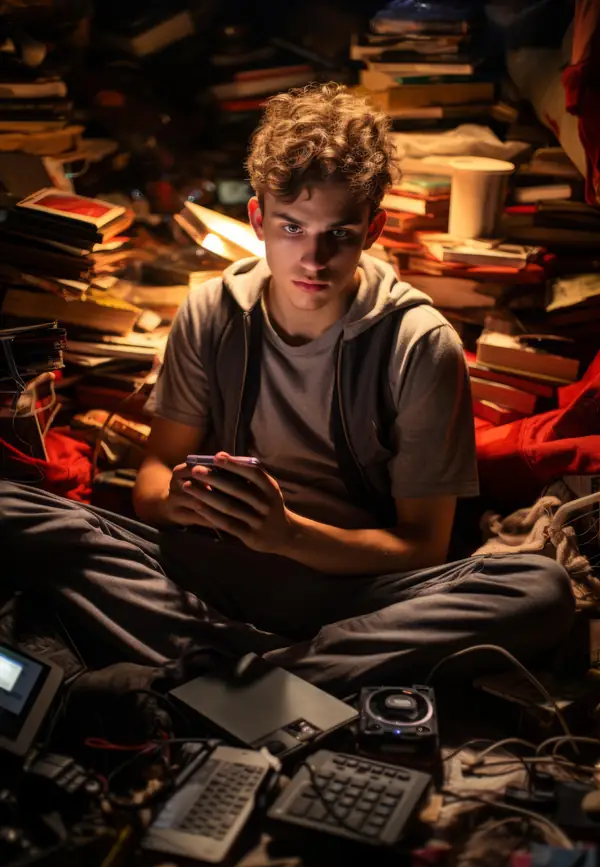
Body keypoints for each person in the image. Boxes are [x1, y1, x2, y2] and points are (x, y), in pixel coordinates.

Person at [0, 84, 575, 694]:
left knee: (537, 589)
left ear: (374, 229)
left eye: (340, 233)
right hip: (206, 572)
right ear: (257, 219)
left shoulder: (419, 342)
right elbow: (153, 477)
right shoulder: (212, 311)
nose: (314, 258)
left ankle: (250, 678)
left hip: (350, 591)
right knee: (11, 507)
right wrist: (178, 500)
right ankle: (280, 673)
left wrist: (287, 535)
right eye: (293, 227)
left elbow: (422, 546)